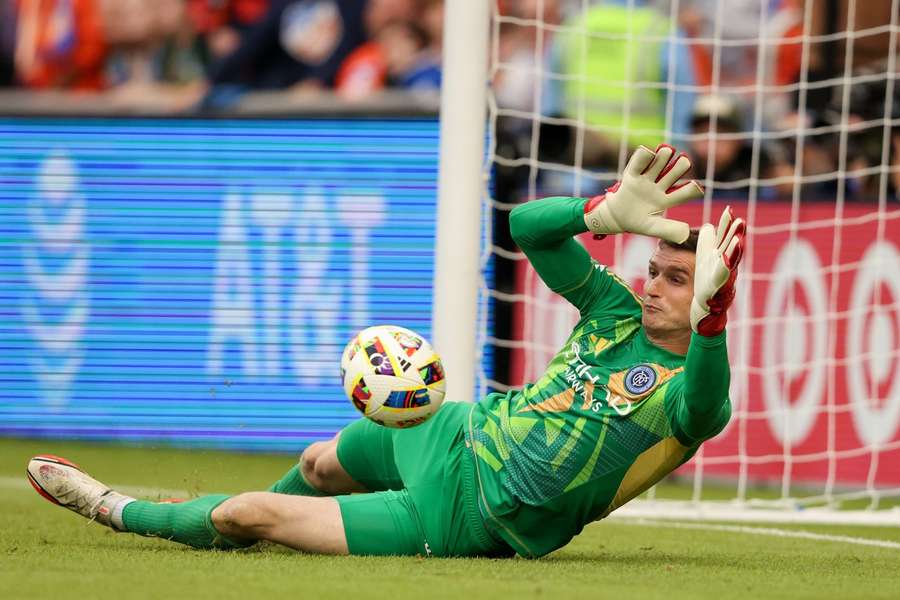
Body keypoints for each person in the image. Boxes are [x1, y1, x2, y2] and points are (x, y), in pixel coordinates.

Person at [26, 144, 746, 559]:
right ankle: (234, 528)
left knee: (252, 513)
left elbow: (708, 403)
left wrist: (711, 322)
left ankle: (116, 509)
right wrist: (601, 213)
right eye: (653, 269)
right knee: (316, 462)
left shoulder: (686, 394)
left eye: (675, 279)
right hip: (456, 428)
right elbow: (528, 230)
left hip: (468, 518)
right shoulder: (614, 310)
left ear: (710, 295)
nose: (650, 285)